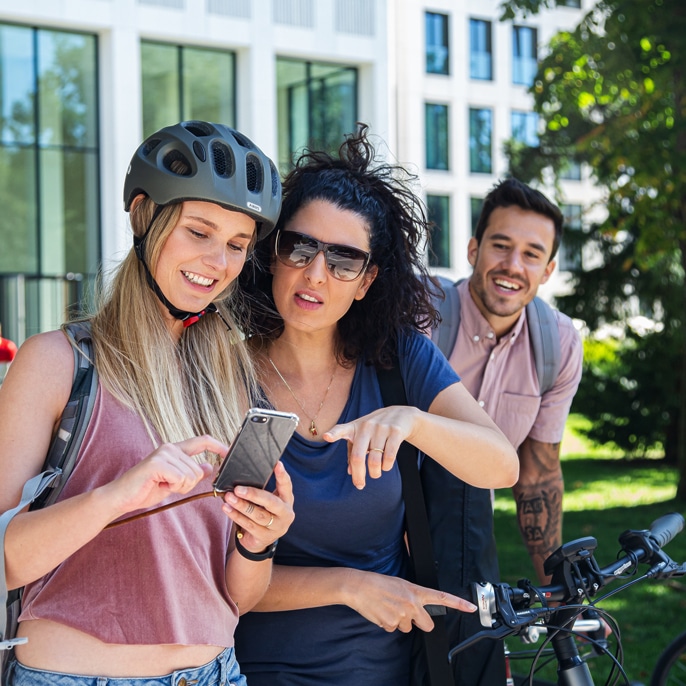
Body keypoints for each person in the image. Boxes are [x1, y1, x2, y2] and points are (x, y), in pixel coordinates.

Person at [0, 120, 294, 686]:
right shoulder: (57, 362)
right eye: (199, 232)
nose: (217, 261)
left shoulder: (228, 376)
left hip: (215, 673)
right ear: (144, 216)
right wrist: (118, 495)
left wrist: (259, 543)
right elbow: (7, 560)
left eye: (237, 245)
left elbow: (237, 596)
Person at [232, 125, 519, 685]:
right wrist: (349, 584)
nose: (316, 274)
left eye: (344, 260)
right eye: (301, 247)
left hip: (384, 672)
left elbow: (501, 464)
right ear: (272, 253)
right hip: (249, 671)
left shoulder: (399, 360)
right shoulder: (224, 372)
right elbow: (205, 571)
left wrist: (414, 421)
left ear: (366, 281)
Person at [428, 178, 583, 685]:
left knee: (479, 666)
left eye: (531, 253)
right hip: (389, 519)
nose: (513, 266)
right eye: (500, 245)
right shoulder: (423, 316)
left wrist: (560, 596)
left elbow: (537, 476)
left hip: (473, 532)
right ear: (474, 249)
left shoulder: (557, 344)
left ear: (548, 269)